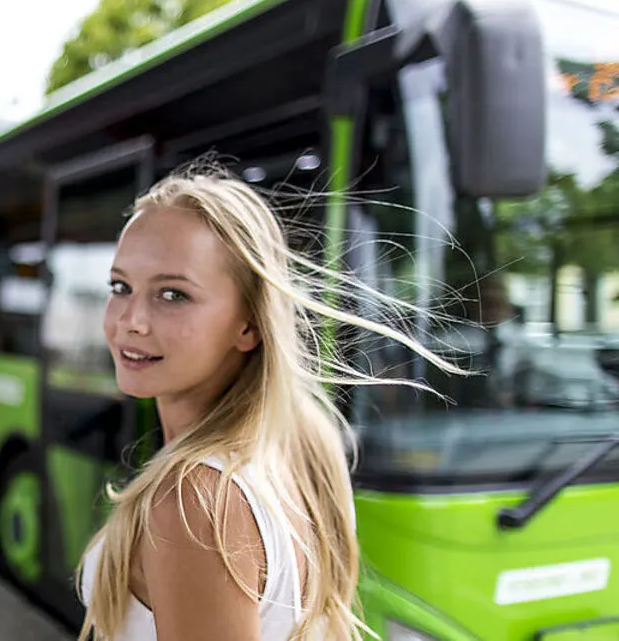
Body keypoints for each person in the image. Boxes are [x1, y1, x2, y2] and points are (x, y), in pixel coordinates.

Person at [75, 170, 461, 640]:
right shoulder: (305, 435)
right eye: (120, 287)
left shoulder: (195, 500)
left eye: (173, 294)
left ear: (249, 325)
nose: (131, 320)